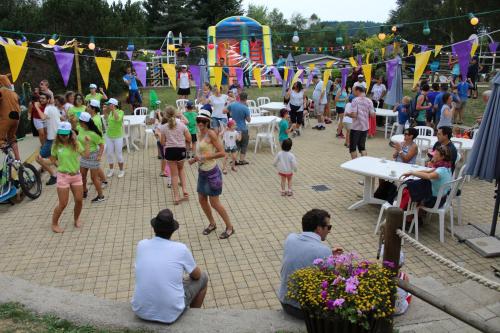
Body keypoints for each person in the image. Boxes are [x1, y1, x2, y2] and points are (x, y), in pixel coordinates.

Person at [131, 209, 208, 324]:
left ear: (154, 228)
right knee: (203, 277)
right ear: (172, 231)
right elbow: (196, 276)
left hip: (140, 310)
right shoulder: (180, 249)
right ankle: (193, 320)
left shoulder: (141, 245)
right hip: (170, 314)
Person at [278, 209, 343, 319]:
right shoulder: (323, 250)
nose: (329, 231)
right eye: (328, 227)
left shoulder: (291, 238)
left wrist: (328, 255)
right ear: (318, 228)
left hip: (284, 300)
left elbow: (304, 253)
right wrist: (339, 263)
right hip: (302, 309)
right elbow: (334, 280)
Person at [189, 110, 234, 239]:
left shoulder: (211, 134)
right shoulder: (200, 133)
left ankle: (230, 227)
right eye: (198, 121)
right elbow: (202, 151)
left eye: (202, 121)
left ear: (207, 122)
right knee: (202, 200)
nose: (200, 123)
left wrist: (205, 156)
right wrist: (195, 158)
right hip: (202, 172)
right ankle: (212, 223)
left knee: (215, 203)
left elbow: (222, 153)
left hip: (212, 173)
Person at [50, 122, 90, 233]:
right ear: (58, 134)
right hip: (63, 177)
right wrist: (55, 164)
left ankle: (76, 219)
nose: (63, 137)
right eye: (61, 134)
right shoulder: (56, 145)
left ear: (70, 133)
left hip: (76, 176)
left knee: (79, 200)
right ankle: (54, 224)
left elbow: (86, 155)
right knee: (63, 203)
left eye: (66, 134)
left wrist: (87, 143)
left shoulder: (76, 144)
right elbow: (52, 160)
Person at [160, 106, 191, 205]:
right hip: (181, 150)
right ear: (175, 113)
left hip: (170, 151)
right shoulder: (181, 124)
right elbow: (189, 138)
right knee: (181, 169)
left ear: (165, 115)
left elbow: (162, 142)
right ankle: (185, 190)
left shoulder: (163, 127)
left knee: (174, 175)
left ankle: (176, 197)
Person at [77, 112, 105, 203]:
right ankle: (84, 191)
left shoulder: (93, 134)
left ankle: (101, 196)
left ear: (84, 123)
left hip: (93, 156)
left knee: (94, 178)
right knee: (82, 176)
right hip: (84, 156)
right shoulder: (80, 128)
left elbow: (101, 145)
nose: (79, 123)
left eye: (80, 121)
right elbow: (74, 127)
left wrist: (99, 155)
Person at [36, 95, 64, 186]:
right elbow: (62, 118)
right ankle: (64, 172)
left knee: (38, 158)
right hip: (56, 137)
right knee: (53, 158)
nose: (41, 100)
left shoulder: (48, 108)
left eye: (43, 98)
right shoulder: (54, 108)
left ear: (48, 100)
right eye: (40, 98)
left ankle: (54, 175)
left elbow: (43, 117)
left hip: (52, 139)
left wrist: (36, 107)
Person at [346, 86, 375, 159]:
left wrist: (347, 114)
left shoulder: (355, 100)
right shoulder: (369, 101)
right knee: (362, 147)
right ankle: (364, 164)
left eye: (354, 91)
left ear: (357, 91)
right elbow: (373, 115)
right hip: (365, 127)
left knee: (352, 148)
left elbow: (354, 115)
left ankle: (355, 165)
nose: (353, 93)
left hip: (356, 127)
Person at [0, 75, 21, 161]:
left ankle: (9, 158)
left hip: (6, 118)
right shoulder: (13, 93)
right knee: (12, 138)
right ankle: (17, 159)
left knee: (1, 139)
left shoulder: (1, 91)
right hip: (16, 118)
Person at [227, 91, 251, 166]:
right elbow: (248, 120)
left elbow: (225, 111)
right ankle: (242, 160)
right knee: (244, 145)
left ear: (239, 98)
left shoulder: (232, 105)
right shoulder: (245, 108)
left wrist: (232, 113)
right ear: (246, 99)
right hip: (243, 129)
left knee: (236, 145)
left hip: (234, 129)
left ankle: (234, 160)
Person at [104, 98, 125, 178]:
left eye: (109, 104)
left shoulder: (120, 112)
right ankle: (111, 170)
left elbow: (117, 119)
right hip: (109, 136)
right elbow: (106, 119)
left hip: (118, 137)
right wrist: (105, 112)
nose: (108, 105)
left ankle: (121, 170)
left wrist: (113, 110)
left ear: (113, 105)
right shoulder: (110, 113)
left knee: (118, 155)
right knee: (109, 154)